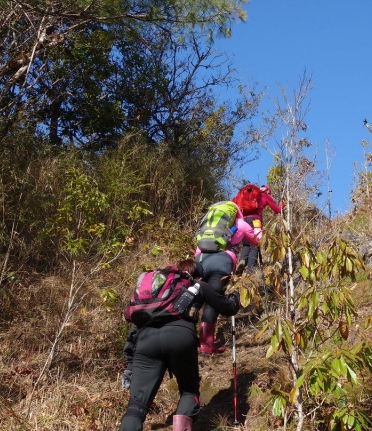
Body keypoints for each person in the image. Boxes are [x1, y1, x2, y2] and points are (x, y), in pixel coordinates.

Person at [119, 259, 241, 431]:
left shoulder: (155, 296)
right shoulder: (197, 285)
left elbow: (134, 328)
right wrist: (235, 297)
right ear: (198, 275)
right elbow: (228, 308)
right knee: (189, 391)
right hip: (180, 338)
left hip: (146, 341)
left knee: (136, 406)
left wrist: (130, 364)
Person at [193, 200, 257, 354]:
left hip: (199, 260)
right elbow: (256, 241)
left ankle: (186, 337)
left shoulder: (209, 223)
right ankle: (206, 345)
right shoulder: (240, 224)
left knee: (193, 297)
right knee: (213, 300)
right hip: (221, 263)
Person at [234, 184, 282, 273]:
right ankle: (250, 271)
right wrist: (283, 205)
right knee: (254, 244)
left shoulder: (247, 195)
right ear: (268, 191)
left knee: (246, 245)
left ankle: (241, 266)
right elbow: (278, 211)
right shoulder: (265, 195)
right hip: (255, 221)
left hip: (242, 221)